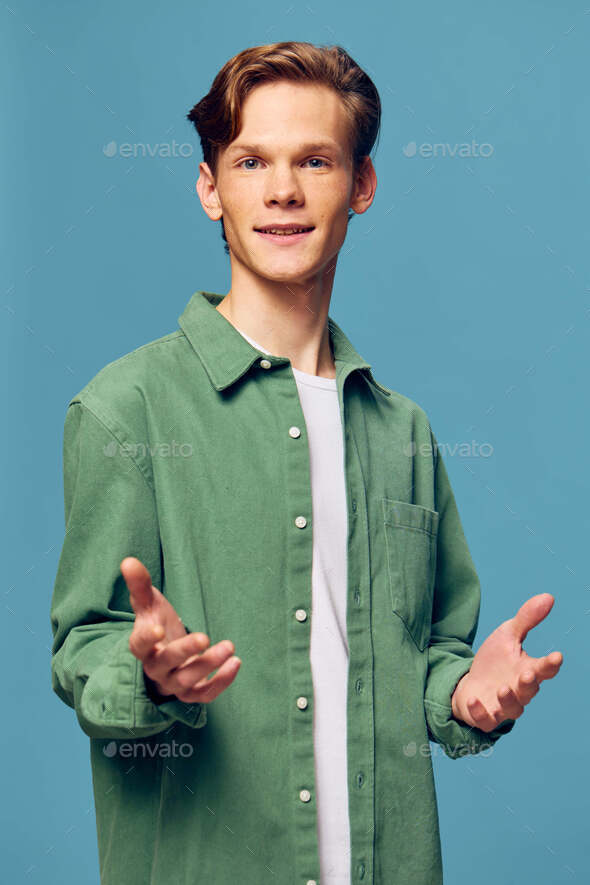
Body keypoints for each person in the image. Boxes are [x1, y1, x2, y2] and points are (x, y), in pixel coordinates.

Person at [50, 40, 563, 885]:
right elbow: (85, 651)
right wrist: (150, 677)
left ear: (360, 185)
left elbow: (426, 652)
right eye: (251, 160)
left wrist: (469, 693)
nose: (283, 190)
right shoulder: (126, 410)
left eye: (315, 160)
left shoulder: (405, 432)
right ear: (210, 187)